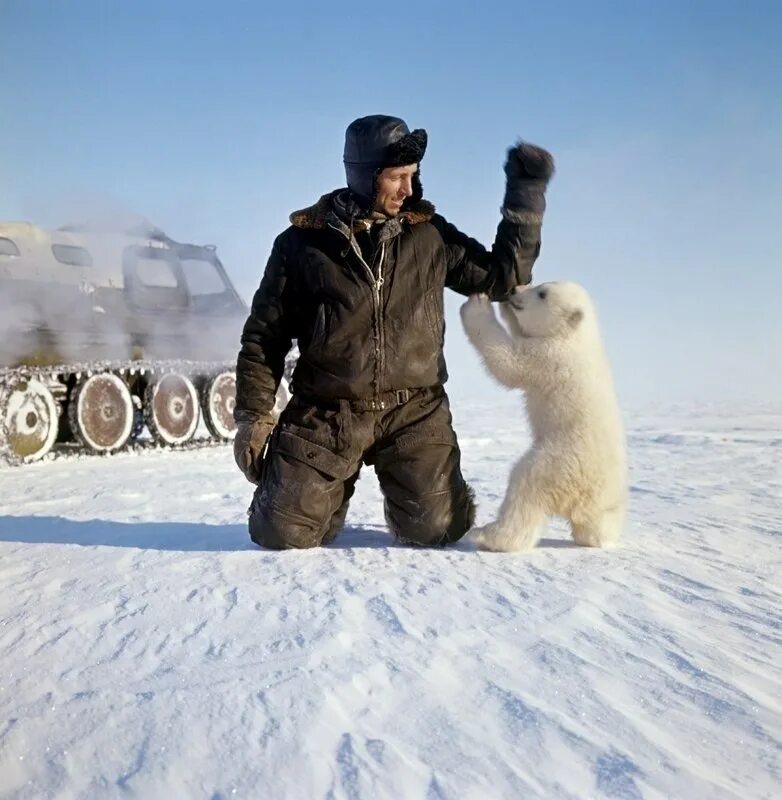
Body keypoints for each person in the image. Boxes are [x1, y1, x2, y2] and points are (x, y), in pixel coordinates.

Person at [233, 114, 554, 550]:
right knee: (280, 534)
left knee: (437, 529)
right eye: (396, 177)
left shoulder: (430, 235)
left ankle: (407, 495)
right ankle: (326, 494)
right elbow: (264, 337)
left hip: (413, 411)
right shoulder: (301, 245)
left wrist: (526, 195)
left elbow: (502, 277)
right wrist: (254, 417)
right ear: (365, 177)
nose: (408, 189)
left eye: (412, 177)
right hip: (328, 411)